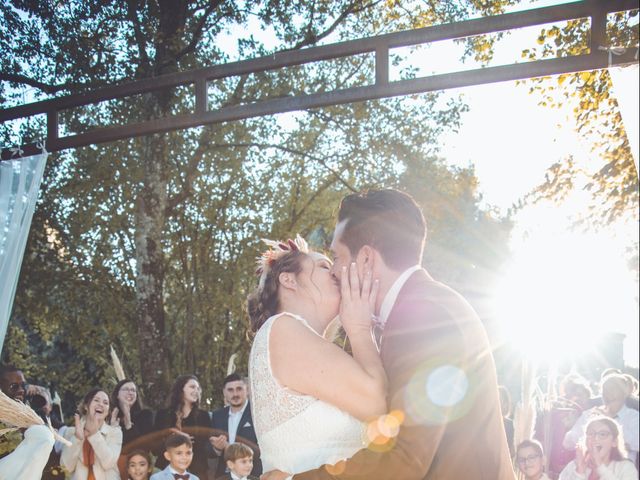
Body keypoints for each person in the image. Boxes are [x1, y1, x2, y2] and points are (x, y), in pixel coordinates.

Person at [260, 189, 514, 479]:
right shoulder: (421, 307)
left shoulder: (424, 316)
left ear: (366, 258)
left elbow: (404, 459)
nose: (336, 271)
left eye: (337, 257)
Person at [247, 233, 386, 476]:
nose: (336, 273)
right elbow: (378, 405)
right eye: (324, 266)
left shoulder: (297, 341)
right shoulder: (283, 329)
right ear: (289, 280)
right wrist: (360, 329)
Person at [563, 374, 639, 464]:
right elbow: (567, 444)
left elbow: (637, 444)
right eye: (604, 390)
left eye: (613, 389)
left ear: (624, 393)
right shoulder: (589, 414)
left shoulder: (634, 416)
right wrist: (585, 427)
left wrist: (609, 420)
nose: (608, 394)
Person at [153, 375, 212, 479]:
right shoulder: (163, 415)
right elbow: (154, 447)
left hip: (197, 471)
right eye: (192, 387)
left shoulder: (204, 416)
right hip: (166, 471)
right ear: (181, 389)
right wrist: (173, 434)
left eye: (198, 388)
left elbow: (205, 446)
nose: (196, 391)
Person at [60, 388, 123, 480]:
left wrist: (94, 434)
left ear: (108, 411)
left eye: (105, 403)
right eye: (96, 400)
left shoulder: (115, 432)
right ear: (86, 406)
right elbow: (66, 468)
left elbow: (108, 463)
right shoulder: (71, 432)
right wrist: (77, 439)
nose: (101, 404)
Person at [210, 373, 261, 478]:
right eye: (230, 390)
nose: (235, 394)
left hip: (252, 474)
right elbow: (208, 449)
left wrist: (231, 448)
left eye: (239, 389)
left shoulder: (258, 413)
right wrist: (217, 448)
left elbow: (265, 447)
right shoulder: (217, 415)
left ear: (247, 390)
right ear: (224, 392)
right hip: (224, 475)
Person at [559, 416, 638, 479]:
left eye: (603, 434)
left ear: (614, 442)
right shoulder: (573, 466)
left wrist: (601, 467)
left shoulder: (626, 467)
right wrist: (579, 472)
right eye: (591, 433)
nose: (595, 438)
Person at [110, 379, 154, 477]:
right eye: (126, 389)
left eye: (133, 390)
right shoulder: (110, 416)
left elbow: (144, 446)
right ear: (117, 394)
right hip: (113, 471)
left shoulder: (145, 415)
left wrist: (128, 423)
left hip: (138, 471)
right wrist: (112, 428)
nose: (130, 392)